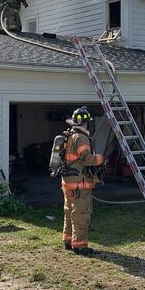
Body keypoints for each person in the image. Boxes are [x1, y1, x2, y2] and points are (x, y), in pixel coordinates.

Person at [61, 106, 104, 255]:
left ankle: (68, 240)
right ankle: (79, 245)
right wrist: (100, 159)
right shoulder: (81, 137)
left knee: (69, 211)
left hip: (68, 181)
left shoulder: (69, 135)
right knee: (81, 213)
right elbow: (86, 159)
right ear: (86, 123)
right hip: (79, 183)